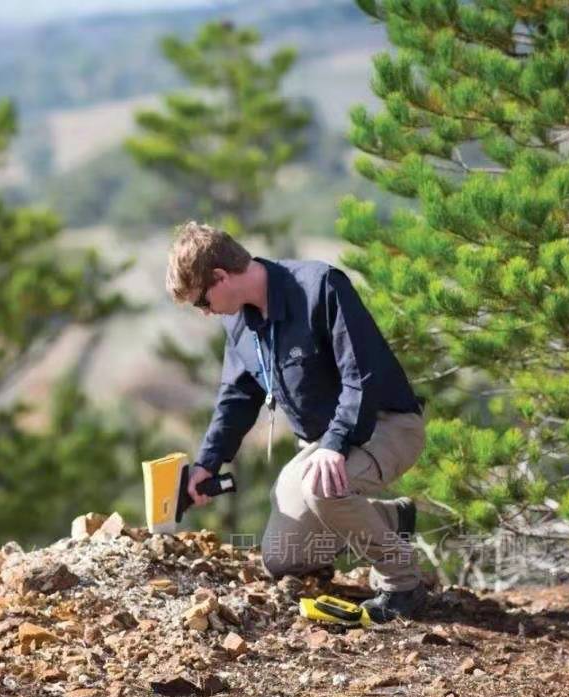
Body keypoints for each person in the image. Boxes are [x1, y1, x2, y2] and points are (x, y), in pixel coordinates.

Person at [165, 221, 429, 622]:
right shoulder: (237, 323)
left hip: (385, 425)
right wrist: (207, 463)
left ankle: (401, 581)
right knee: (282, 559)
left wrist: (335, 446)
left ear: (221, 276)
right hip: (322, 445)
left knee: (322, 487)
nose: (205, 313)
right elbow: (236, 398)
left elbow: (363, 376)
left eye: (202, 301)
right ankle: (392, 519)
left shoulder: (319, 287)